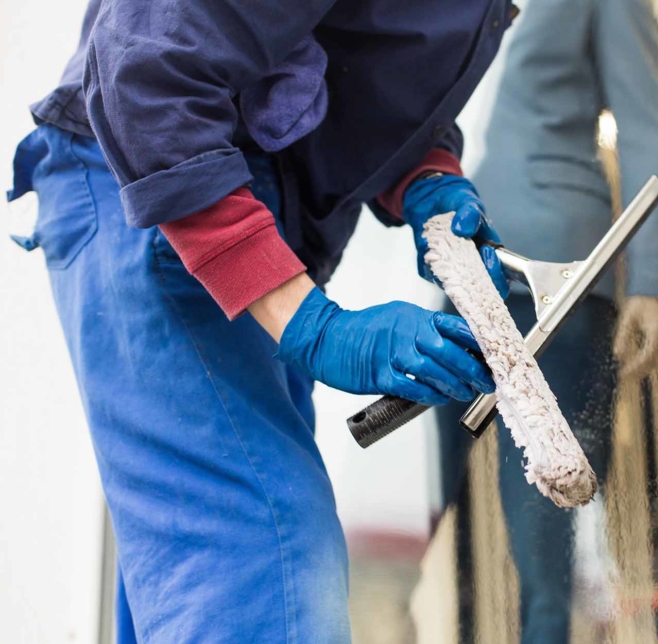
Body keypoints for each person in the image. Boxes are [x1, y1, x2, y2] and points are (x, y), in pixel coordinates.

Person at [6, 1, 522, 642]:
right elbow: (149, 75)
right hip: (166, 196)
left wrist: (425, 177)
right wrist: (313, 326)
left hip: (240, 208)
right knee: (268, 562)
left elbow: (344, 71)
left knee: (223, 567)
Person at [434, 0, 658, 642]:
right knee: (445, 522)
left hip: (555, 270)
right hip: (457, 269)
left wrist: (653, 281)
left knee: (545, 530)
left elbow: (647, 122)